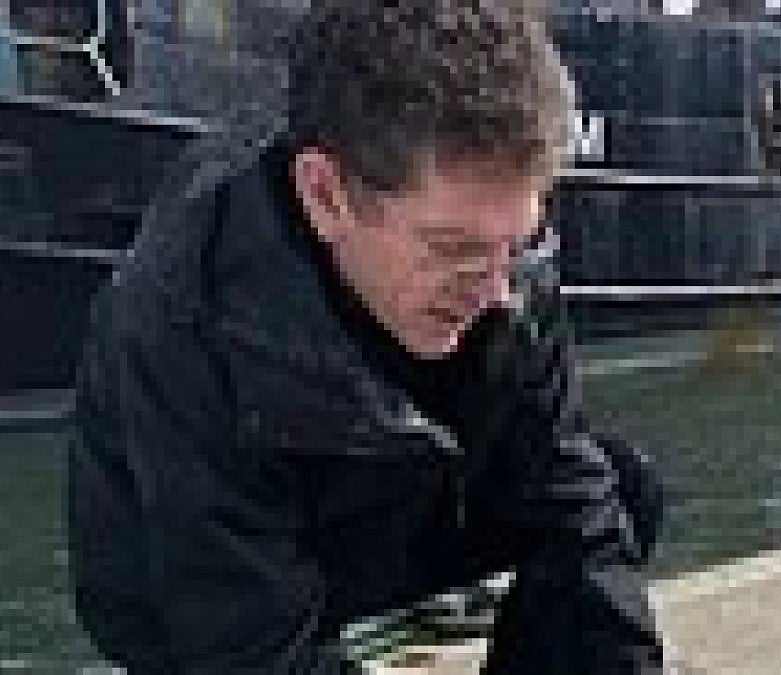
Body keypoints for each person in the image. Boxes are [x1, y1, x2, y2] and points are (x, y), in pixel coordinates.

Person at [67, 0, 669, 672]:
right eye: (454, 251)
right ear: (325, 196)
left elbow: (569, 501)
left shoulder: (503, 264)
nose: (497, 292)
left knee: (616, 492)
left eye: (516, 246)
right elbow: (244, 644)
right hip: (191, 571)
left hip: (395, 498)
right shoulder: (185, 316)